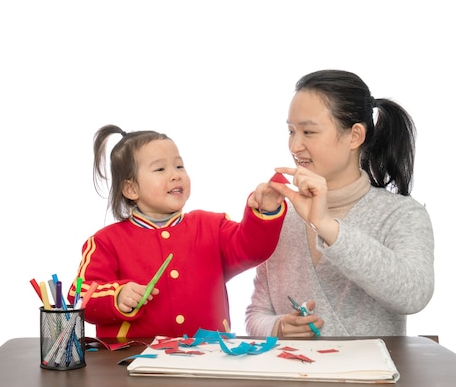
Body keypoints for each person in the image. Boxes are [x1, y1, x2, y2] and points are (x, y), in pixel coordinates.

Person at [245, 70, 434, 338]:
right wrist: (277, 326)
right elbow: (255, 314)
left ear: (355, 136)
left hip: (371, 379)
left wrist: (326, 226)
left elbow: (415, 294)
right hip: (292, 378)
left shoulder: (401, 214)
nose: (295, 145)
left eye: (309, 131)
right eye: (291, 131)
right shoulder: (282, 215)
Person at [68, 124, 286, 338]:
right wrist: (116, 296)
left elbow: (252, 248)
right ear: (131, 189)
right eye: (160, 169)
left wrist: (265, 213)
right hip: (133, 360)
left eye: (179, 166)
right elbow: (79, 295)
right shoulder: (106, 241)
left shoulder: (211, 225)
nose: (175, 175)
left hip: (208, 355)